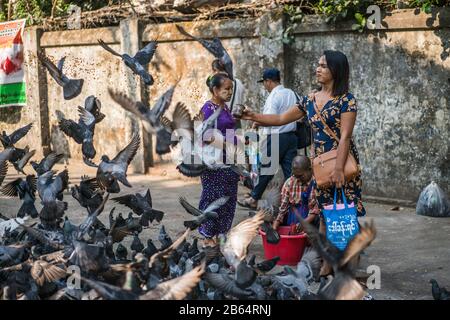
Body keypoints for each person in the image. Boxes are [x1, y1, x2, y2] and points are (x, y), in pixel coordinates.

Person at [237, 50, 366, 275]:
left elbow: (345, 136)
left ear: (336, 70)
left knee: (344, 212)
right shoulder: (310, 99)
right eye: (318, 64)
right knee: (325, 213)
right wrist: (253, 116)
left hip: (341, 164)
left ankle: (345, 259)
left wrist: (338, 170)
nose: (318, 69)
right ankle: (327, 261)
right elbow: (279, 119)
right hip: (319, 166)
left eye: (323, 66)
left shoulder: (347, 100)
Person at [237, 68, 298, 210]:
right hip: (292, 137)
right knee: (291, 172)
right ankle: (295, 201)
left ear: (268, 81)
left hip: (277, 137)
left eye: (264, 82)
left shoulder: (273, 97)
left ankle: (253, 198)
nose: (264, 86)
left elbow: (271, 119)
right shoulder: (291, 93)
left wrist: (256, 121)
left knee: (266, 169)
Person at [198, 73, 240, 247]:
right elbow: (204, 136)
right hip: (214, 164)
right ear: (215, 90)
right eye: (226, 89)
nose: (230, 92)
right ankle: (208, 236)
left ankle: (222, 234)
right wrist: (227, 146)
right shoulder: (208, 108)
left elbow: (228, 130)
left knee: (229, 199)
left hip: (229, 161)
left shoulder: (225, 107)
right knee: (212, 198)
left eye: (231, 89)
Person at [273, 155, 320, 231]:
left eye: (300, 176)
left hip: (311, 220)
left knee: (320, 219)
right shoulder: (289, 183)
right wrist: (275, 226)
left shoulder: (317, 183)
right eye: (295, 175)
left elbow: (316, 210)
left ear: (310, 170)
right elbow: (282, 209)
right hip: (293, 220)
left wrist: (304, 223)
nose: (297, 179)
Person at [211, 59, 245, 129]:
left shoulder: (219, 85)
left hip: (225, 122)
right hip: (237, 121)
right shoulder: (238, 82)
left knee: (228, 139)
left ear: (216, 70)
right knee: (236, 139)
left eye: (213, 71)